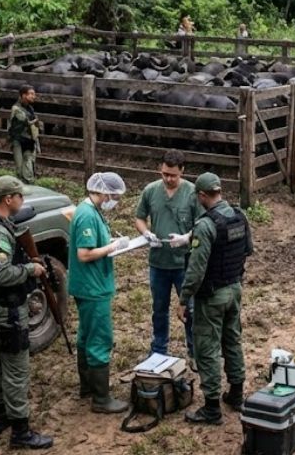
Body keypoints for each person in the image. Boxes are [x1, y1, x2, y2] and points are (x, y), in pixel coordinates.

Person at [0, 176, 53, 449]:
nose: (22, 200)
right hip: (8, 310)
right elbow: (0, 274)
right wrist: (31, 269)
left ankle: (0, 416)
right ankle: (20, 431)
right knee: (17, 369)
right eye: (20, 196)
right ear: (8, 199)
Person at [177, 172, 253, 424]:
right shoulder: (239, 216)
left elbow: (196, 269)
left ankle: (211, 408)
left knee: (207, 347)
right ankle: (236, 394)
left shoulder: (205, 225)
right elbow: (248, 250)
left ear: (202, 195)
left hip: (211, 296)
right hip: (235, 289)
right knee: (232, 339)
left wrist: (183, 299)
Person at [68, 172, 131, 413]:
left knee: (86, 335)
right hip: (92, 287)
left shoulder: (92, 211)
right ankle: (101, 399)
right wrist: (113, 247)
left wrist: (112, 243)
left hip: (89, 285)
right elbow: (84, 254)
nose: (114, 201)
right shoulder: (86, 215)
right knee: (99, 338)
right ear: (104, 193)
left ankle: (88, 387)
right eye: (114, 196)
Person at [134, 150, 199, 357]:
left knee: (190, 309)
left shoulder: (192, 193)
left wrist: (187, 237)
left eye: (173, 175)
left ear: (182, 171)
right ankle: (159, 349)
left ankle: (194, 349)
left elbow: (203, 224)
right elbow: (139, 217)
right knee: (159, 308)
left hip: (184, 263)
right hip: (159, 262)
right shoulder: (151, 190)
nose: (169, 179)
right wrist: (146, 233)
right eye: (165, 174)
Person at [7, 84, 41, 183]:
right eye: (31, 94)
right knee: (20, 168)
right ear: (23, 95)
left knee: (28, 167)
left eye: (34, 94)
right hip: (18, 140)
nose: (34, 96)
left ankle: (28, 183)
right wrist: (35, 121)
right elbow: (26, 121)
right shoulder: (16, 108)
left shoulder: (30, 108)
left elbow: (33, 126)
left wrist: (36, 141)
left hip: (28, 141)